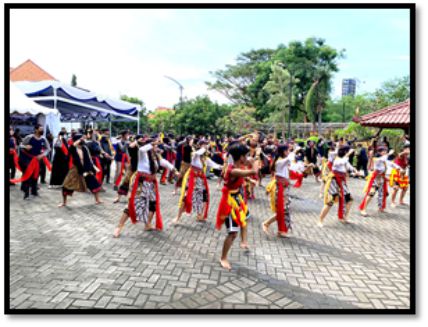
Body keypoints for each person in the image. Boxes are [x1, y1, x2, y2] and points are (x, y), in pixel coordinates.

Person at [113, 136, 178, 238]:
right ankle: (119, 227)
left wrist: (174, 170)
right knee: (133, 204)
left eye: (157, 145)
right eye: (155, 145)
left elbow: (164, 162)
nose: (157, 147)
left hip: (151, 183)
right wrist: (152, 143)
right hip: (141, 183)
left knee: (152, 204)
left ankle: (147, 224)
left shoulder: (155, 156)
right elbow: (142, 149)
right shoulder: (142, 153)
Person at [216, 143, 256, 271]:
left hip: (237, 198)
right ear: (241, 157)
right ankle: (223, 258)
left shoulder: (238, 166)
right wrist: (255, 160)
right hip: (229, 202)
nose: (247, 157)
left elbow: (244, 176)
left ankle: (243, 241)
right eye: (246, 155)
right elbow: (253, 171)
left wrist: (249, 181)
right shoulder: (233, 170)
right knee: (232, 233)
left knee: (244, 220)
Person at [173, 140, 222, 224]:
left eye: (206, 145)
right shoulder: (194, 155)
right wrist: (204, 148)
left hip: (200, 180)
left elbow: (214, 165)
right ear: (199, 146)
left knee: (203, 197)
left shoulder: (205, 158)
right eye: (204, 145)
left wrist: (223, 167)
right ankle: (178, 217)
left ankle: (199, 215)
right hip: (192, 179)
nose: (206, 146)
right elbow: (197, 153)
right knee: (186, 198)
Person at [58, 134, 102, 207]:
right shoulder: (73, 148)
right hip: (76, 169)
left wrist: (92, 167)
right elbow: (72, 146)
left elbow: (89, 158)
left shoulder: (85, 148)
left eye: (82, 139)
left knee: (94, 183)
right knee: (66, 186)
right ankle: (64, 203)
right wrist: (80, 139)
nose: (83, 140)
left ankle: (97, 200)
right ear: (76, 140)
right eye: (80, 139)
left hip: (87, 169)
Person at [318, 145, 357, 226]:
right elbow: (341, 162)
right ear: (345, 152)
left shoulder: (345, 159)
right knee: (330, 202)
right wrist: (348, 153)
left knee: (349, 200)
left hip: (342, 181)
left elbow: (348, 166)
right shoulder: (336, 158)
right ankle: (320, 220)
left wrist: (355, 170)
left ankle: (344, 217)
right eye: (348, 151)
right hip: (333, 181)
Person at [11, 124, 51, 199]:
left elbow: (48, 149)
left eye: (42, 129)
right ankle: (26, 192)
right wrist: (25, 146)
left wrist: (42, 155)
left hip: (37, 160)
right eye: (40, 129)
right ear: (36, 130)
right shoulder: (29, 137)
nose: (42, 130)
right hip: (28, 159)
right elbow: (20, 145)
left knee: (36, 175)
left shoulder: (43, 139)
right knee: (28, 175)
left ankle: (34, 191)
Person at [262, 145, 293, 238]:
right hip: (280, 189)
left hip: (284, 188)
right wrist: (294, 151)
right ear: (283, 151)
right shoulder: (279, 162)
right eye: (287, 150)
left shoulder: (281, 161)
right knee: (282, 210)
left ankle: (280, 231)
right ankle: (266, 223)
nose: (288, 152)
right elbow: (290, 158)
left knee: (285, 210)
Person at [359, 145, 393, 216]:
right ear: (380, 152)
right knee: (371, 193)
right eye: (384, 151)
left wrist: (399, 168)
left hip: (381, 179)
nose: (385, 152)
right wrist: (389, 154)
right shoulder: (377, 159)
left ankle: (381, 208)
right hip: (375, 179)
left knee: (382, 194)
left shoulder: (384, 159)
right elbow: (382, 159)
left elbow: (390, 163)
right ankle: (363, 209)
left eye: (385, 151)